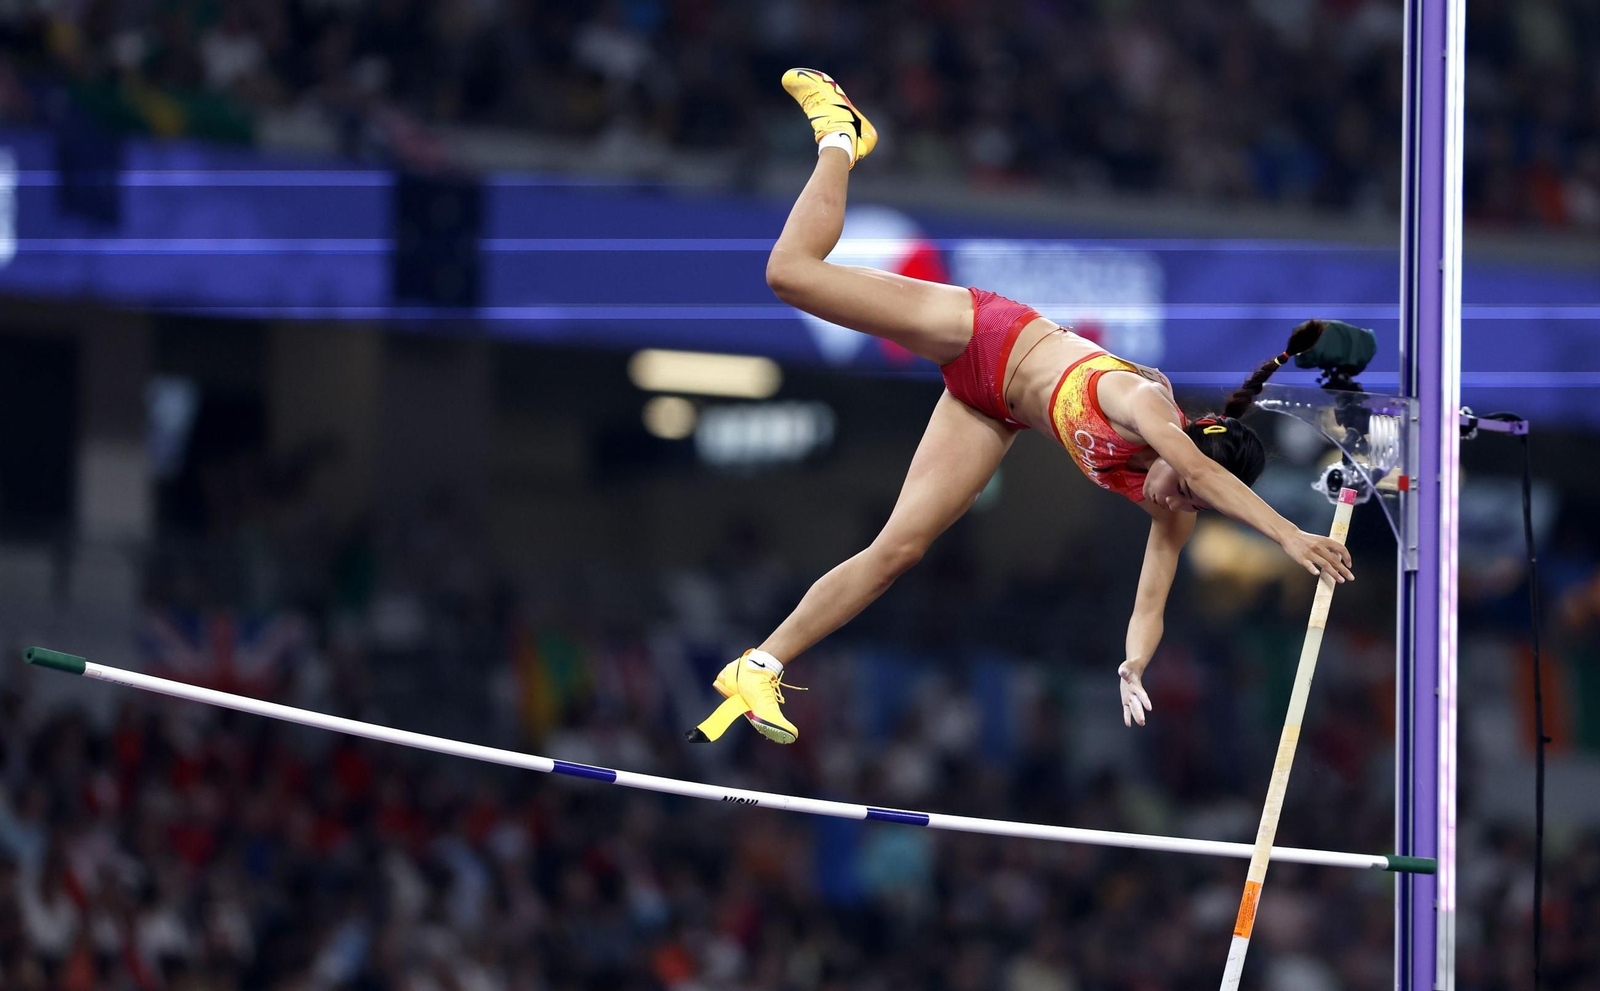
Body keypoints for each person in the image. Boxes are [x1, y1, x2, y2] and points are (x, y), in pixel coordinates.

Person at [687, 69, 1355, 746]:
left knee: (900, 550)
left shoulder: (1172, 501)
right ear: (1190, 440)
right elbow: (1202, 474)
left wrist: (1134, 661)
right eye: (1184, 488)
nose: (1179, 504)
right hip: (985, 332)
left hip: (990, 410)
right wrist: (1291, 536)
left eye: (1190, 505)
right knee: (791, 273)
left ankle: (760, 664)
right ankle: (841, 135)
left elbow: (1151, 597)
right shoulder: (1145, 403)